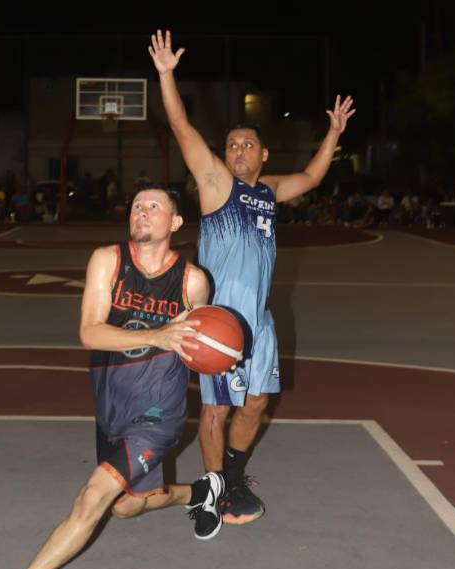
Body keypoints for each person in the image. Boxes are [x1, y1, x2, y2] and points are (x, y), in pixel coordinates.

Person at [0, 186, 224, 569]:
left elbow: (202, 345)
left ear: (175, 222)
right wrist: (158, 335)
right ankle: (200, 493)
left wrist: (217, 353)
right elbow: (90, 332)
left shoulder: (192, 281)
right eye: (137, 206)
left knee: (92, 498)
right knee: (125, 507)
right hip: (111, 406)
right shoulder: (108, 260)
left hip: (158, 415)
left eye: (154, 207)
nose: (142, 212)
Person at [149, 29, 355, 524]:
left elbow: (312, 177)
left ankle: (233, 476)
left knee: (257, 402)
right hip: (218, 323)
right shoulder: (217, 184)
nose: (239, 150)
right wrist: (166, 75)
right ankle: (215, 492)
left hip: (258, 322)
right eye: (232, 145)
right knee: (216, 410)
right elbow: (181, 126)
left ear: (263, 156)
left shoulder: (268, 191)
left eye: (248, 145)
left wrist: (333, 132)